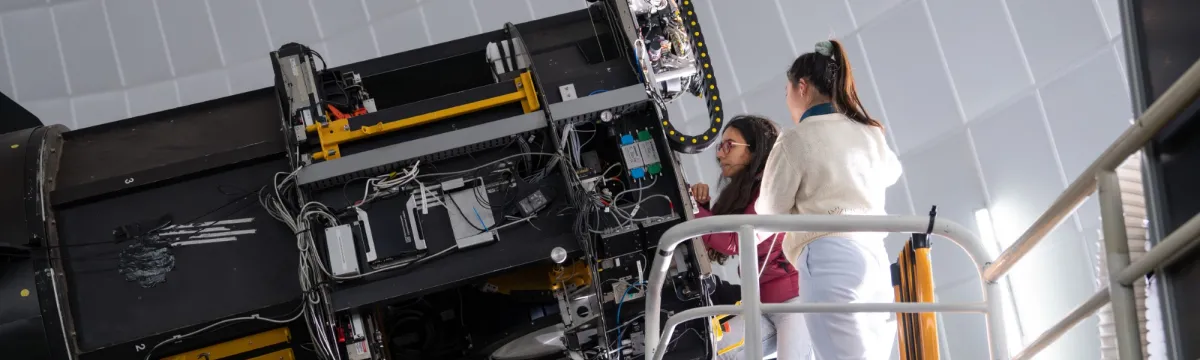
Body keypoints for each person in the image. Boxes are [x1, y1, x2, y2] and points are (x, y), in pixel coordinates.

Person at [755, 39, 902, 360]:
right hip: (874, 259)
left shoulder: (796, 136)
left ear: (802, 87)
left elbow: (769, 211)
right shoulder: (868, 131)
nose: (788, 99)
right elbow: (891, 172)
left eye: (787, 91)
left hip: (830, 258)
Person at [690, 115, 810, 360]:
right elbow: (718, 246)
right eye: (720, 147)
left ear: (755, 150)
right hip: (760, 304)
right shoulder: (748, 190)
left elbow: (737, 241)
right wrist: (703, 208)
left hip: (796, 304)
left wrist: (692, 210)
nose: (720, 154)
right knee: (712, 353)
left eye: (729, 145)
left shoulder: (772, 188)